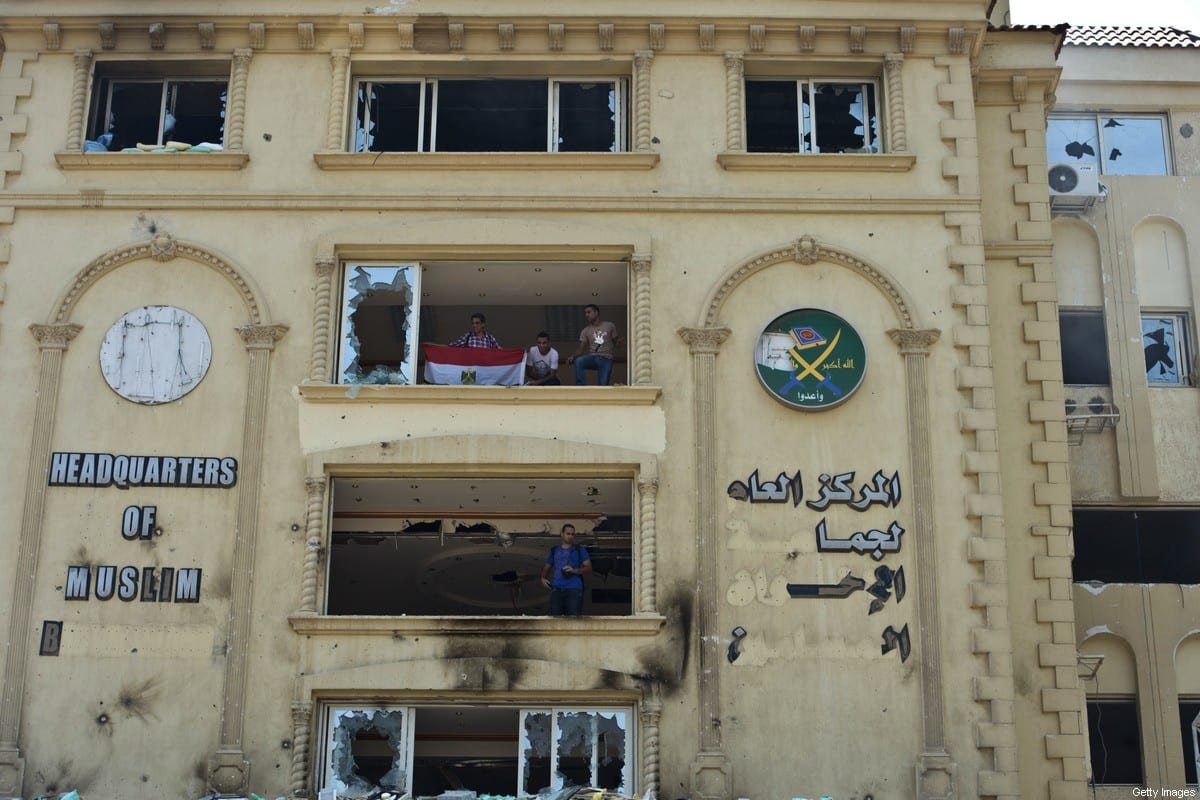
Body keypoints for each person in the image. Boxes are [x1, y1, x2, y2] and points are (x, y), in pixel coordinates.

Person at [540, 524, 592, 617]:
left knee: (573, 619)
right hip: (556, 589)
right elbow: (547, 567)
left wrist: (574, 571)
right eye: (568, 534)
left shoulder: (579, 549)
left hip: (574, 589)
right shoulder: (555, 550)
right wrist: (543, 578)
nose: (570, 536)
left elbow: (589, 568)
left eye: (572, 534)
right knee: (555, 620)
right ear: (562, 534)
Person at [566, 304, 620, 386]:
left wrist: (620, 342)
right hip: (593, 358)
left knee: (603, 386)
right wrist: (572, 356)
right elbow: (581, 349)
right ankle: (580, 387)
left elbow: (616, 342)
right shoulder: (585, 330)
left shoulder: (610, 325)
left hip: (606, 359)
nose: (586, 315)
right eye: (585, 313)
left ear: (596, 312)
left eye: (589, 312)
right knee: (579, 361)